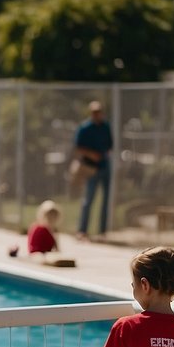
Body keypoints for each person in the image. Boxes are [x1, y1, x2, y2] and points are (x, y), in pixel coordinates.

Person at [73, 100, 114, 241]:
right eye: (95, 112)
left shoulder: (106, 126)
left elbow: (110, 145)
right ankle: (82, 230)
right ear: (91, 113)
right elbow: (79, 147)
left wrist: (104, 155)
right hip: (91, 168)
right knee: (88, 199)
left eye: (99, 112)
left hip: (105, 166)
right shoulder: (85, 128)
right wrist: (92, 155)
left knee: (105, 200)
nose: (97, 114)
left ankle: (102, 231)